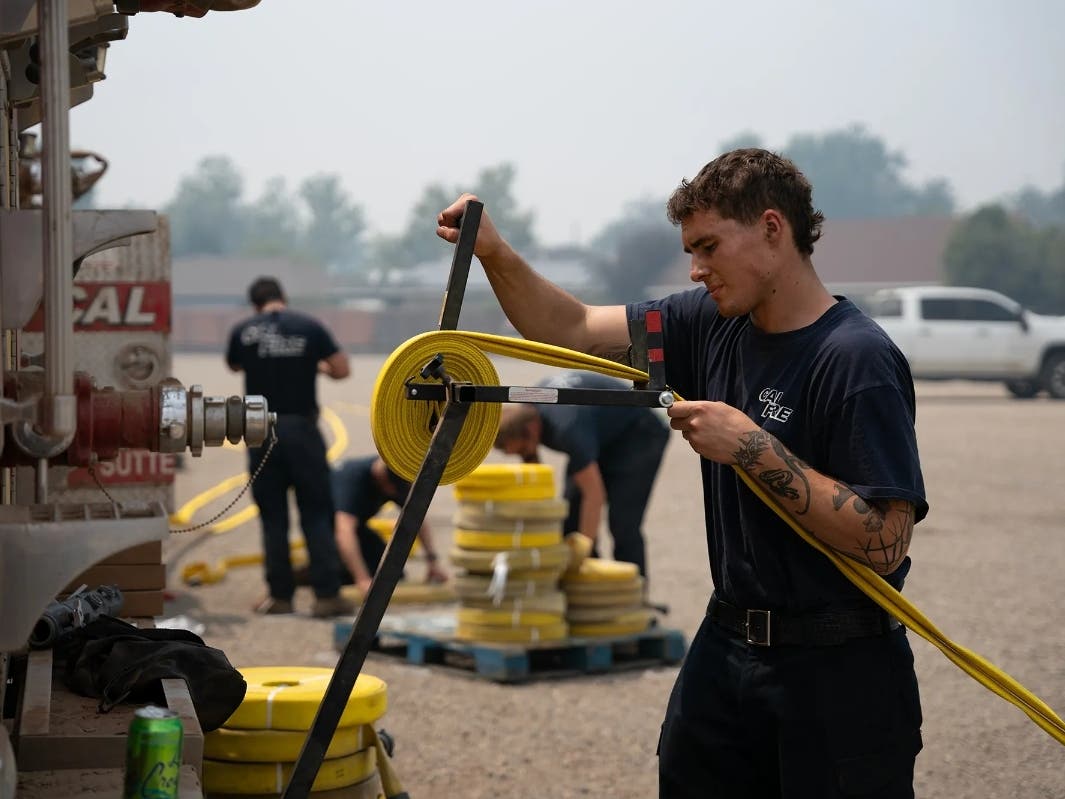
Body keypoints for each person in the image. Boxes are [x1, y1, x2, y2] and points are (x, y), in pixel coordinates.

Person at [436, 149, 927, 798]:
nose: (695, 269)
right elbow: (572, 328)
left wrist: (752, 446)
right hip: (726, 647)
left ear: (772, 230)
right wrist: (494, 252)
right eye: (689, 250)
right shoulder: (708, 324)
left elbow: (885, 540)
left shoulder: (855, 359)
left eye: (708, 247)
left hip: (838, 668)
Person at [226, 276, 356, 618]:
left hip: (259, 430)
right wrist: (315, 364)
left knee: (273, 517)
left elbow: (235, 364)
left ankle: (280, 597)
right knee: (316, 512)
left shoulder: (243, 331)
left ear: (255, 304)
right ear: (283, 297)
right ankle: (327, 596)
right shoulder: (310, 326)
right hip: (302, 430)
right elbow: (341, 369)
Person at [493, 371, 669, 579]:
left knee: (623, 524)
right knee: (570, 518)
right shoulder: (531, 404)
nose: (524, 455)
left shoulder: (567, 428)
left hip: (638, 435)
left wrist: (582, 554)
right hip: (599, 433)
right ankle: (587, 589)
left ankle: (633, 596)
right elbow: (534, 466)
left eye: (522, 449)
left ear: (530, 429)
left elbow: (594, 495)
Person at [331, 455, 449, 594]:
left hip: (358, 529)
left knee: (391, 576)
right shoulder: (353, 481)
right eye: (394, 489)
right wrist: (362, 579)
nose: (395, 494)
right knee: (339, 576)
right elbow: (344, 532)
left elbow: (416, 518)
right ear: (382, 479)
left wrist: (432, 562)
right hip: (326, 530)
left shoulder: (396, 473)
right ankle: (314, 572)